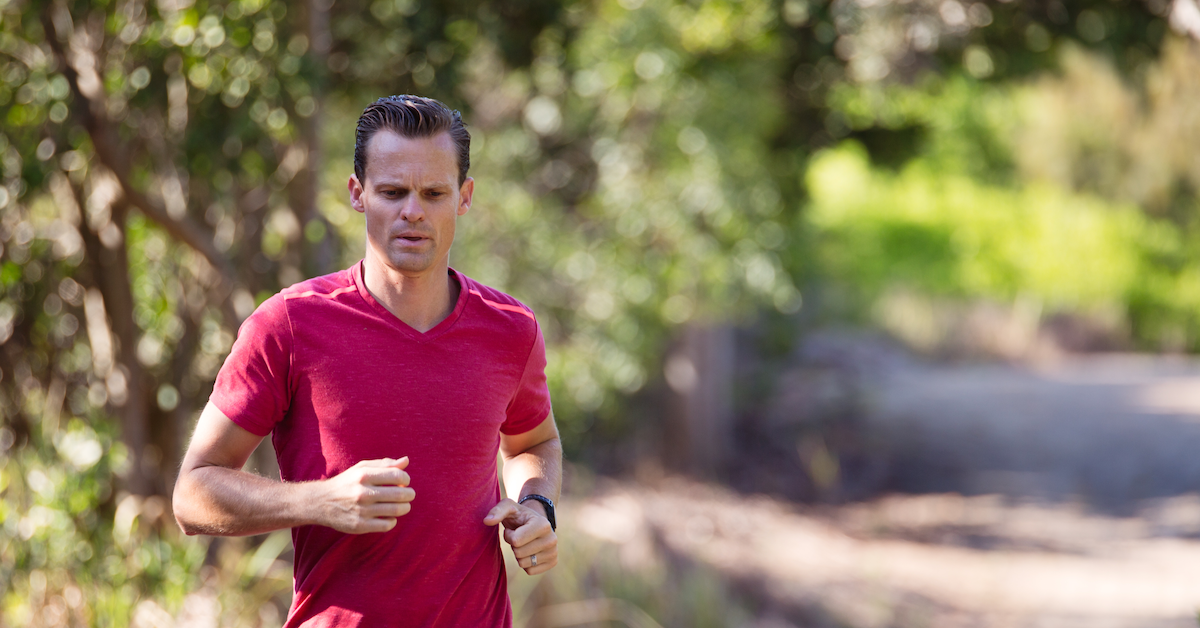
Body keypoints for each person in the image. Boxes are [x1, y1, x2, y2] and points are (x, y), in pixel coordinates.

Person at [172, 95, 561, 627]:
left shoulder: (510, 329)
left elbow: (534, 442)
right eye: (393, 192)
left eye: (434, 193)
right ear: (357, 194)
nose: (413, 211)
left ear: (464, 197)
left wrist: (537, 505)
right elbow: (192, 494)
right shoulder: (288, 325)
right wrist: (319, 502)